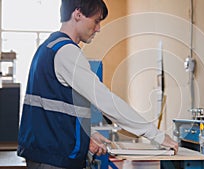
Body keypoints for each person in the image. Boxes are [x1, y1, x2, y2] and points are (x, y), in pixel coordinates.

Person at [17, 0, 178, 168]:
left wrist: (88, 134)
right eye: (96, 21)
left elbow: (56, 111)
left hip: (46, 154)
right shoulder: (67, 52)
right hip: (53, 159)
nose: (98, 28)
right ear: (77, 14)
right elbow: (105, 100)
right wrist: (157, 135)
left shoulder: (50, 47)